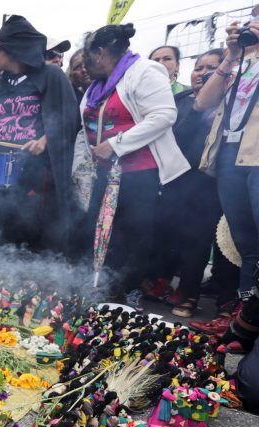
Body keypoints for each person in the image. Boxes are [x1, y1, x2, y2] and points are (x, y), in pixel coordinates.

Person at [77, 23, 189, 311]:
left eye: (88, 59)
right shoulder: (98, 84)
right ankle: (99, 286)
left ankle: (126, 292)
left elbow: (164, 115)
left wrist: (116, 144)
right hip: (105, 171)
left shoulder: (145, 72)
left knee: (132, 234)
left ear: (100, 53)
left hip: (140, 172)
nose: (84, 66)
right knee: (100, 229)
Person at [0, 15, 80, 251]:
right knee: (0, 236)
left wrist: (45, 140)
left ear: (14, 49)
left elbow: (69, 118)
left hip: (38, 176)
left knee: (34, 235)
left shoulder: (51, 76)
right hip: (1, 179)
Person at [143, 49, 227, 318]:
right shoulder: (176, 99)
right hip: (171, 177)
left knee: (196, 238)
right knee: (164, 230)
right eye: (199, 67)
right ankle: (161, 283)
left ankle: (189, 294)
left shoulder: (228, 103)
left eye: (210, 68)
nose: (203, 73)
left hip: (207, 182)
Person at [195, 10, 259, 331]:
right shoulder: (239, 63)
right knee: (247, 245)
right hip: (229, 156)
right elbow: (202, 103)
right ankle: (244, 321)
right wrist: (231, 56)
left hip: (257, 158)